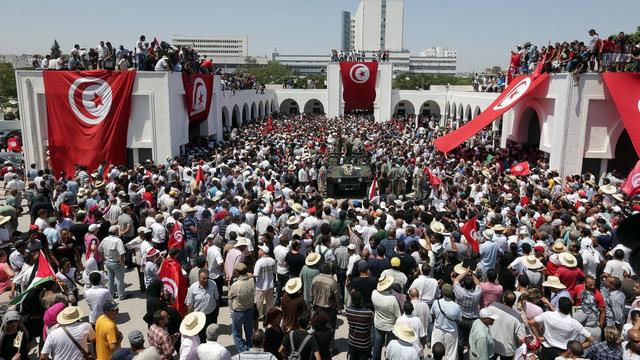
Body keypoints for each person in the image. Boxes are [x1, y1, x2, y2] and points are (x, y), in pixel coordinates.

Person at [529, 297, 593, 360]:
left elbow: (531, 322)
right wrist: (576, 349)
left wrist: (538, 337)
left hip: (547, 351)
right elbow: (590, 339)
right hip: (565, 353)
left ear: (559, 307)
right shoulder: (574, 323)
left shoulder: (547, 315)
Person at [488, 290, 526, 359]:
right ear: (514, 301)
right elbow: (521, 338)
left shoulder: (493, 306)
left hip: (492, 343)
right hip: (507, 349)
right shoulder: (517, 317)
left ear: (503, 299)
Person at [371, 275, 401, 360]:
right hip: (390, 326)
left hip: (378, 324)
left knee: (377, 345)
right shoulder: (392, 299)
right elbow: (398, 315)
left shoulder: (374, 293)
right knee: (389, 348)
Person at [185, 268, 219, 342]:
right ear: (198, 277)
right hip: (199, 317)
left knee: (213, 336)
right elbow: (190, 306)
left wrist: (216, 312)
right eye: (204, 278)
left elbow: (216, 298)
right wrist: (190, 319)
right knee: (201, 338)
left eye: (207, 278)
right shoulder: (192, 288)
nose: (206, 280)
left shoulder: (213, 284)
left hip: (211, 315)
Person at [229, 262, 256, 352]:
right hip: (250, 310)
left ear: (237, 272)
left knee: (237, 334)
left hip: (238, 312)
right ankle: (249, 348)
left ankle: (242, 352)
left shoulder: (235, 285)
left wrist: (231, 311)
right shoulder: (251, 281)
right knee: (249, 333)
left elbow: (230, 297)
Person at [431, 284, 461, 360]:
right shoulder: (456, 306)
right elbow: (459, 320)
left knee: (436, 353)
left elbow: (433, 314)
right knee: (451, 354)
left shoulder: (436, 303)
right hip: (451, 333)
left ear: (442, 293)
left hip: (438, 331)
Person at [99, 225, 129, 300]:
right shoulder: (118, 241)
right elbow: (122, 253)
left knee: (110, 279)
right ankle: (121, 295)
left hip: (108, 262)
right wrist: (122, 262)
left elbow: (100, 250)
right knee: (119, 280)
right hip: (117, 262)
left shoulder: (105, 239)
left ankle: (111, 295)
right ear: (116, 232)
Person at [346, 290, 374, 360]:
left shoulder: (348, 311)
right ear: (361, 300)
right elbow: (371, 324)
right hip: (364, 343)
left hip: (352, 341)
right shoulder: (369, 313)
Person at [254, 244, 277, 321]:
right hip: (270, 285)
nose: (258, 251)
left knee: (259, 303)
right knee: (270, 303)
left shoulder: (259, 262)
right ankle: (269, 316)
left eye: (259, 250)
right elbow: (275, 271)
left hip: (260, 286)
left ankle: (258, 316)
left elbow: (255, 274)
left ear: (263, 252)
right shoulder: (272, 260)